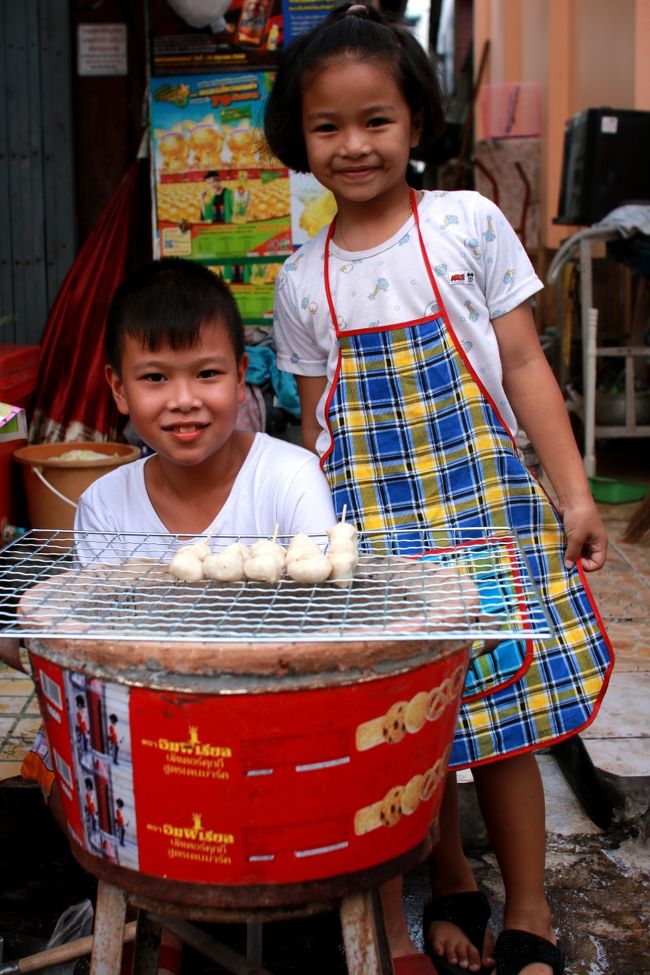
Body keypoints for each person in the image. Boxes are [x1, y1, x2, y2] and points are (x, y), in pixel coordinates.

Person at [264, 6, 613, 975]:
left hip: (487, 518)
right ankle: (451, 877)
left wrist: (573, 493)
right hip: (377, 531)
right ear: (298, 137)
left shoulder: (464, 224)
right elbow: (314, 427)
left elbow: (525, 365)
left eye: (375, 120)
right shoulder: (302, 282)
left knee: (502, 724)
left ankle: (531, 913)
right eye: (327, 127)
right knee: (415, 725)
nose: (353, 145)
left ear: (416, 121)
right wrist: (313, 544)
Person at [16, 256, 337, 975]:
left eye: (207, 374)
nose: (184, 400)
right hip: (158, 737)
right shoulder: (105, 502)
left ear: (243, 377)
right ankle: (170, 916)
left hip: (274, 725)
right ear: (117, 390)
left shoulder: (289, 478)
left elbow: (318, 620)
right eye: (156, 377)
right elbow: (103, 643)